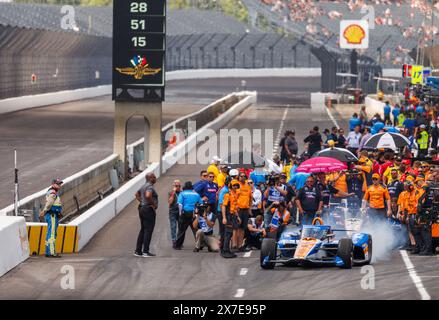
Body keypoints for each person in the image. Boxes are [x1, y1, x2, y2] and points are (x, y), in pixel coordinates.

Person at [134, 173, 158, 257]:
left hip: (142, 208)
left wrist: (141, 201)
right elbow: (148, 196)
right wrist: (153, 204)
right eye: (154, 177)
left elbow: (136, 194)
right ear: (150, 178)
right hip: (148, 209)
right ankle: (145, 251)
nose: (155, 178)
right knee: (148, 230)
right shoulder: (150, 187)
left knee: (143, 229)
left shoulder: (143, 186)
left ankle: (138, 251)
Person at [39, 178, 63, 258]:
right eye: (57, 184)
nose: (59, 186)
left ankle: (48, 251)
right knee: (52, 234)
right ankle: (52, 252)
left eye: (60, 184)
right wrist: (44, 211)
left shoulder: (52, 192)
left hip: (51, 215)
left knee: (49, 233)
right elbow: (49, 204)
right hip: (52, 215)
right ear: (53, 184)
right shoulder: (53, 192)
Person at [175, 181, 203, 250]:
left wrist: (180, 213)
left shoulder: (182, 194)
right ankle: (200, 244)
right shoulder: (196, 194)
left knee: (181, 230)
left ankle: (178, 245)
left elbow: (180, 204)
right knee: (196, 229)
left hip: (185, 213)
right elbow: (201, 204)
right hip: (194, 213)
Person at [221, 179, 241, 258]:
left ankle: (227, 250)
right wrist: (224, 218)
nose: (235, 187)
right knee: (228, 234)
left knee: (230, 233)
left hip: (233, 215)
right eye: (234, 185)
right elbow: (223, 206)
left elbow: (234, 207)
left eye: (236, 185)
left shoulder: (235, 194)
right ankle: (225, 250)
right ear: (230, 186)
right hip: (228, 215)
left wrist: (238, 216)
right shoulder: (227, 195)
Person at [236, 172, 252, 251]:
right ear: (238, 177)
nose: (242, 177)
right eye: (241, 176)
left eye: (244, 176)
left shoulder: (248, 186)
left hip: (245, 209)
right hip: (238, 209)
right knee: (237, 228)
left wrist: (250, 209)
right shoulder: (236, 186)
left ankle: (240, 246)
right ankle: (235, 245)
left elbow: (250, 198)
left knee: (242, 228)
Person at [168, 180, 182, 248]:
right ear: (173, 186)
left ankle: (179, 241)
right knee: (173, 226)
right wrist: (173, 193)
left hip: (180, 211)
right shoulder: (171, 193)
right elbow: (170, 202)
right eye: (176, 186)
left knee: (180, 226)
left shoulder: (182, 193)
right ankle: (174, 240)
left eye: (179, 186)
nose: (178, 187)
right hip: (173, 211)